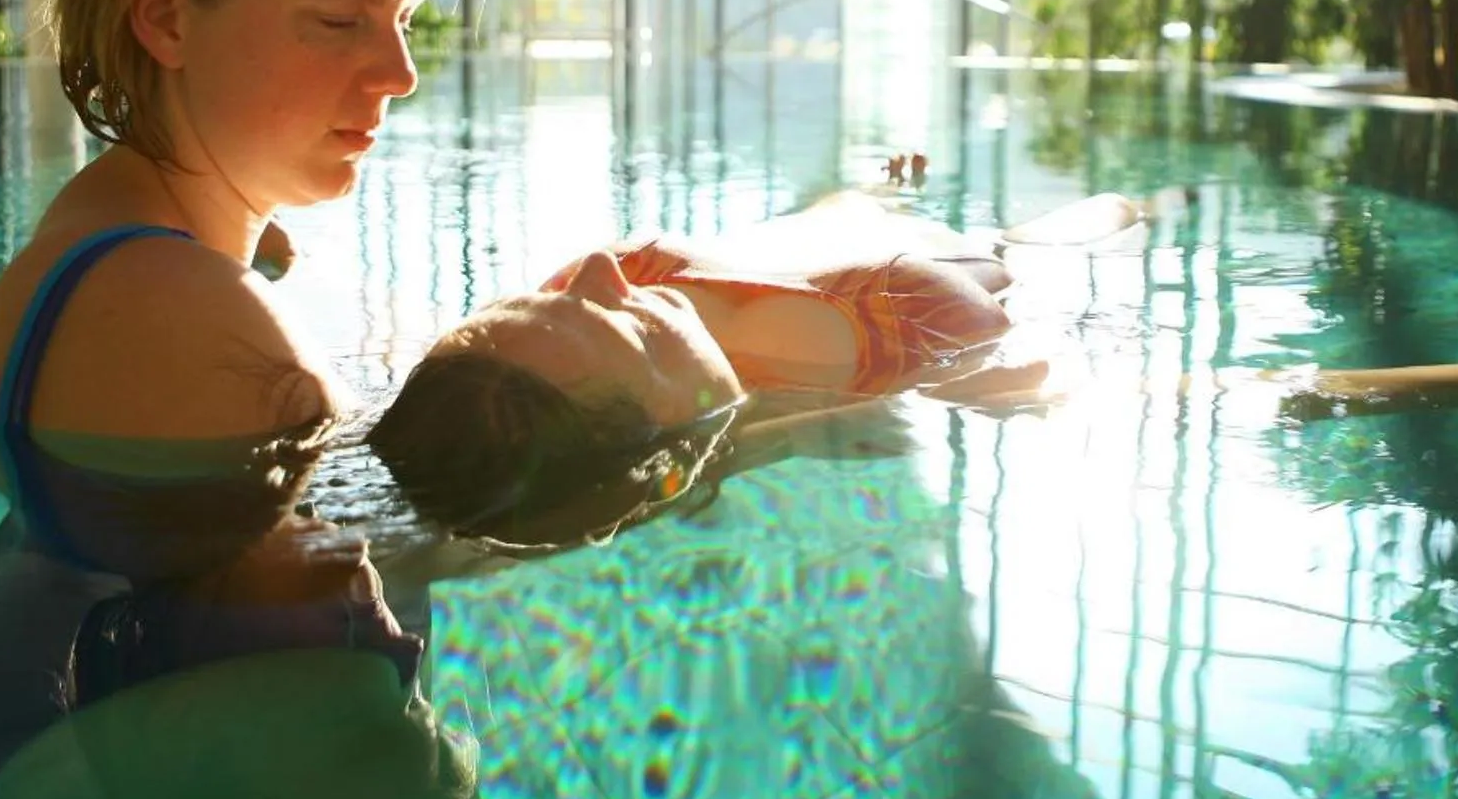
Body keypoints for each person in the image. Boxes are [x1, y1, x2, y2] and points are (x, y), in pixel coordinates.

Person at [0, 0, 466, 570]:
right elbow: (436, 549)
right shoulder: (189, 315)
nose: (401, 74)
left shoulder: (106, 247)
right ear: (165, 17)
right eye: (339, 20)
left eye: (401, 19)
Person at [366, 191, 1114, 552]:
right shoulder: (903, 346)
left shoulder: (589, 321)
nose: (596, 269)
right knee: (1103, 214)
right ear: (671, 441)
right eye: (628, 326)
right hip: (990, 250)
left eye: (544, 301)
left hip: (855, 214)